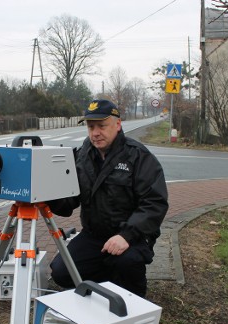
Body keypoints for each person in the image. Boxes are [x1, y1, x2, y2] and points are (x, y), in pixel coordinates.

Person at [48, 99, 169, 298]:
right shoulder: (83, 156)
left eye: (102, 126)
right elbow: (70, 201)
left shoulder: (138, 156)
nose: (95, 132)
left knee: (126, 264)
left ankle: (131, 293)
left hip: (132, 235)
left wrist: (126, 236)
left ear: (118, 124)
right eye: (91, 126)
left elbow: (154, 203)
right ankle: (108, 279)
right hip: (94, 235)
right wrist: (47, 197)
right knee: (61, 272)